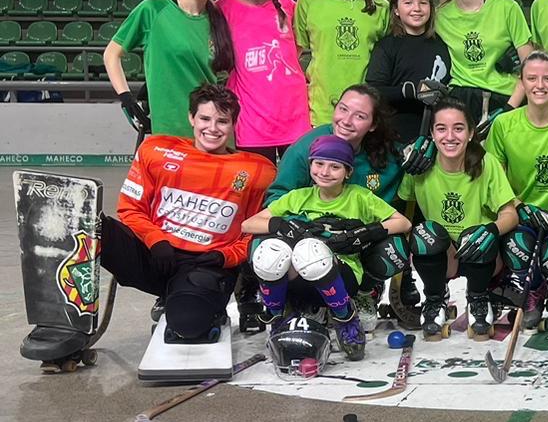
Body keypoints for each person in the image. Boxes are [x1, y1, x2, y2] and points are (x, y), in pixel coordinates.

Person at [100, 84, 275, 347]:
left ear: (233, 123)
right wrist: (156, 241)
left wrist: (224, 257)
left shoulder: (259, 170)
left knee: (188, 325)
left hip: (205, 266)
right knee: (82, 227)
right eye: (205, 118)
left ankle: (196, 305)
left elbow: (254, 232)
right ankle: (65, 328)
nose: (212, 128)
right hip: (154, 254)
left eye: (222, 121)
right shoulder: (156, 150)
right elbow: (130, 209)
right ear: (191, 118)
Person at [241, 134, 411, 360]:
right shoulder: (298, 197)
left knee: (310, 251)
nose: (325, 171)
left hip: (342, 275)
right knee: (270, 251)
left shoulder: (359, 196)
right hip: (300, 279)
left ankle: (345, 318)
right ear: (310, 165)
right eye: (318, 163)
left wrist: (366, 231)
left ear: (347, 172)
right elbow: (248, 224)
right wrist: (282, 224)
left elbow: (403, 222)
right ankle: (277, 316)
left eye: (335, 167)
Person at [265, 84, 407, 330]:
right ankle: (299, 301)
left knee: (396, 246)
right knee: (264, 244)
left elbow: (399, 203)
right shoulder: (307, 147)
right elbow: (275, 199)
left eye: (360, 116)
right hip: (310, 237)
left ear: (372, 124)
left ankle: (365, 293)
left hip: (356, 239)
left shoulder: (384, 153)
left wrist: (367, 231)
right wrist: (299, 227)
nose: (347, 120)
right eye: (343, 109)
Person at [398, 98, 520, 340]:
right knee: (426, 234)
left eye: (458, 128)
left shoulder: (486, 163)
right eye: (441, 128)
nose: (450, 136)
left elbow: (510, 214)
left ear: (471, 133)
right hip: (442, 255)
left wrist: (491, 230)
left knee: (477, 233)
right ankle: (434, 299)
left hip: (482, 255)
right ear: (432, 133)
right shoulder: (421, 165)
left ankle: (478, 298)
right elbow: (405, 211)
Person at [483, 52, 548, 327]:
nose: (540, 85)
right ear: (522, 82)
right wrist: (519, 207)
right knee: (517, 245)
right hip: (522, 213)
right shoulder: (504, 125)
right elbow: (495, 180)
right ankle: (534, 291)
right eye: (532, 78)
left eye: (547, 78)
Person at [104, 0, 233, 139]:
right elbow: (112, 54)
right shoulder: (152, 10)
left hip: (212, 131)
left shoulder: (221, 18)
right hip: (168, 127)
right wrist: (126, 98)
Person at [218, 0, 308, 164]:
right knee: (256, 187)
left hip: (294, 114)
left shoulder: (288, 5)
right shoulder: (223, 8)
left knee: (296, 188)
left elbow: (297, 48)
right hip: (252, 118)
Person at [295, 0, 388, 123]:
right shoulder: (307, 2)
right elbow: (297, 53)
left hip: (367, 108)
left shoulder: (381, 7)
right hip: (321, 110)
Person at [434, 0, 533, 119]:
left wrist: (509, 108)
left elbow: (530, 67)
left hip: (505, 100)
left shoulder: (507, 7)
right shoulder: (439, 17)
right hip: (461, 101)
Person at [365, 0, 451, 142]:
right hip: (395, 134)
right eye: (408, 3)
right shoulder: (386, 46)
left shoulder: (443, 43)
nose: (417, 8)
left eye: (423, 3)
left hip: (437, 134)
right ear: (396, 9)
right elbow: (374, 92)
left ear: (431, 8)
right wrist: (410, 91)